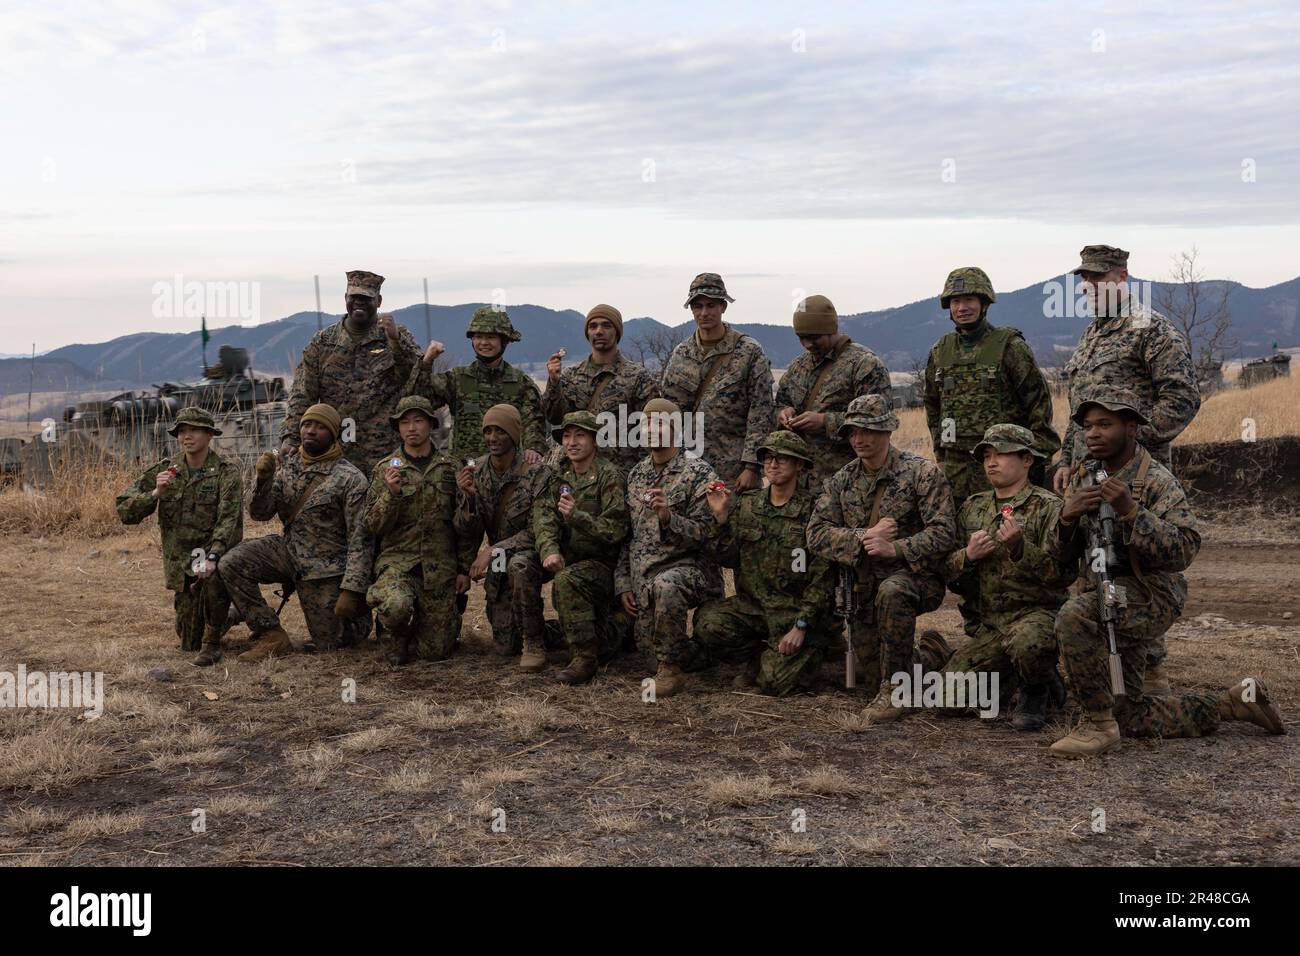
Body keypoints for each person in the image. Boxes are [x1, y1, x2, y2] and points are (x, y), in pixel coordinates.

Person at [1046, 386, 1285, 757]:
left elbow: (1184, 550)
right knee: (1129, 714)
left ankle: (1097, 726)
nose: (1092, 433)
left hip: (1151, 595)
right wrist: (1066, 516)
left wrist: (1131, 512)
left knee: (1074, 618)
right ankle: (1231, 705)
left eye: (1104, 424)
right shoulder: (1082, 477)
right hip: (1104, 595)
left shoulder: (1155, 481)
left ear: (1132, 428)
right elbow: (1058, 560)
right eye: (1088, 425)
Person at [1053, 245, 1203, 695]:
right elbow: (1079, 410)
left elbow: (1182, 396)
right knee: (1096, 559)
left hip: (1134, 471)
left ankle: (1151, 665)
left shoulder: (1150, 329)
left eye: (1099, 278)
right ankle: (1110, 661)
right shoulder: (1091, 336)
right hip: (1087, 468)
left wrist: (1140, 442)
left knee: (1138, 561)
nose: (1090, 287)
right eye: (1085, 280)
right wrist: (1065, 458)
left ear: (1122, 276)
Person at [807, 394, 956, 724]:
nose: (859, 439)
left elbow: (945, 532)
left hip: (916, 579)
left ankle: (896, 694)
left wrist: (898, 548)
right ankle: (931, 657)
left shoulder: (922, 474)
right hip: (863, 585)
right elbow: (815, 533)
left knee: (893, 591)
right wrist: (863, 536)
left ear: (888, 431)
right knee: (871, 672)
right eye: (852, 432)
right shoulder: (842, 479)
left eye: (867, 430)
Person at [210, 403, 371, 664]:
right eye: (307, 424)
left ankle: (359, 618)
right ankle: (271, 634)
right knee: (232, 563)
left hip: (326, 568)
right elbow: (260, 514)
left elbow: (360, 540)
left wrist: (352, 589)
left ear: (332, 433)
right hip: (289, 551)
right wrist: (262, 479)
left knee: (334, 643)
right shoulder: (288, 467)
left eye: (320, 426)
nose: (311, 430)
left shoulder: (350, 478)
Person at [940, 424, 1074, 729]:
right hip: (991, 626)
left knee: (1029, 644)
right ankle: (1020, 674)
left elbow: (1064, 575)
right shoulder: (973, 508)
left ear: (1027, 459)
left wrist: (1020, 548)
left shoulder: (1049, 508)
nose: (991, 462)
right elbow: (947, 572)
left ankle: (1035, 687)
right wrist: (967, 556)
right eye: (987, 454)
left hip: (1036, 618)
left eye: (1002, 453)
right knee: (946, 699)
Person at [695, 430, 837, 696]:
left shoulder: (814, 510)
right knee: (708, 623)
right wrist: (721, 516)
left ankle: (813, 650)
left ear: (800, 465)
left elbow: (824, 577)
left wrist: (802, 626)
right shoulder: (747, 505)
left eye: (783, 458)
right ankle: (761, 654)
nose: (773, 464)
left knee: (774, 684)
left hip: (795, 612)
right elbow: (725, 557)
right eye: (769, 458)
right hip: (755, 608)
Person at [115, 407, 243, 665]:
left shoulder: (226, 472)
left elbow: (228, 520)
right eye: (182, 431)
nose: (187, 436)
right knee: (188, 642)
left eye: (194, 430)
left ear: (209, 435)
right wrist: (155, 494)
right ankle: (232, 614)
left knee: (209, 614)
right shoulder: (166, 471)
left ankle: (219, 621)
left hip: (211, 557)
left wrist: (214, 556)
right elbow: (125, 511)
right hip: (180, 564)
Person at [616, 398, 723, 697]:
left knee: (667, 585)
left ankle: (671, 672)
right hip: (644, 580)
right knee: (650, 653)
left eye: (660, 422)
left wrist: (669, 518)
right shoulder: (636, 475)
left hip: (688, 573)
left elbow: (707, 535)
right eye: (647, 423)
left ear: (676, 429)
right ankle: (700, 654)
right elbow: (629, 536)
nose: (651, 429)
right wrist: (623, 581)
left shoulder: (699, 473)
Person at [924, 266, 1059, 503]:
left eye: (969, 300)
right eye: (956, 301)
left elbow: (1037, 402)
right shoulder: (939, 352)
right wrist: (941, 453)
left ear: (984, 303)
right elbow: (933, 405)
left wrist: (1036, 457)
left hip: (1005, 463)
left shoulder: (1010, 347)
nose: (962, 308)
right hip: (957, 467)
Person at [363, 396, 475, 664]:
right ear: (398, 428)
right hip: (398, 565)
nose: (411, 428)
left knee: (435, 653)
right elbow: (372, 525)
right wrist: (391, 495)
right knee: (397, 606)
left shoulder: (451, 467)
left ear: (430, 425)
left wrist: (463, 568)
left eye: (418, 421)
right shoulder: (385, 470)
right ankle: (394, 631)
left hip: (439, 568)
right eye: (404, 422)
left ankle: (437, 621)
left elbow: (466, 528)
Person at [281, 270, 422, 477]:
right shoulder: (323, 343)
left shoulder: (394, 336)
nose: (359, 303)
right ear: (345, 299)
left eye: (366, 298)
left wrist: (395, 340)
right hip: (335, 455)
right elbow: (303, 394)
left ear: (379, 301)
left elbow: (416, 378)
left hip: (385, 453)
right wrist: (291, 437)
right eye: (354, 297)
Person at [532, 410, 631, 683]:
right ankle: (604, 631)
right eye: (566, 436)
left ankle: (584, 658)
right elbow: (543, 520)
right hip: (572, 564)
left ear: (594, 441)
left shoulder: (609, 476)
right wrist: (549, 550)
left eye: (580, 435)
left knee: (566, 581)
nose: (572, 442)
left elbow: (616, 531)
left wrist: (577, 516)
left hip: (605, 568)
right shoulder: (558, 476)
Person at [453, 404, 552, 664]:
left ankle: (535, 643)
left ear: (515, 435)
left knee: (519, 565)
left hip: (533, 552)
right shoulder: (479, 471)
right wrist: (470, 500)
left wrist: (493, 550)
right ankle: (555, 630)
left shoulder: (537, 472)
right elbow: (467, 531)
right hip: (498, 559)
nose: (493, 438)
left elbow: (539, 530)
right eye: (488, 431)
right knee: (506, 646)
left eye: (500, 431)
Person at [660, 272, 774, 490]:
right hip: (687, 466)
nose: (704, 313)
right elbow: (668, 412)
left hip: (733, 469)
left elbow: (761, 411)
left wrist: (752, 467)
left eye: (711, 305)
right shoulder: (681, 354)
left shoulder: (748, 352)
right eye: (698, 306)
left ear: (723, 306)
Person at [774, 294, 892, 492]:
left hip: (847, 483)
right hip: (800, 484)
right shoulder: (798, 366)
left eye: (814, 338)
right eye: (802, 338)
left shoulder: (864, 364)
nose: (808, 344)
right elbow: (780, 403)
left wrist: (824, 422)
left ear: (832, 330)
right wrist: (783, 413)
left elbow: (881, 421)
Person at [405, 306, 550, 465]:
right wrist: (427, 361)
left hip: (508, 472)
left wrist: (533, 448)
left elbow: (534, 422)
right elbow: (416, 401)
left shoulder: (520, 383)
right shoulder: (457, 379)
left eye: (490, 337)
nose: (484, 343)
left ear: (504, 340)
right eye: (478, 336)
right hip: (464, 472)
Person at [542, 303, 660, 476]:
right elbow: (554, 417)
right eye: (593, 326)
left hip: (618, 474)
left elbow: (652, 428)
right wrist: (554, 382)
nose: (598, 331)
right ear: (587, 333)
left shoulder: (637, 377)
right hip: (576, 474)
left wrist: (642, 472)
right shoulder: (571, 375)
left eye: (606, 325)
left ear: (617, 332)